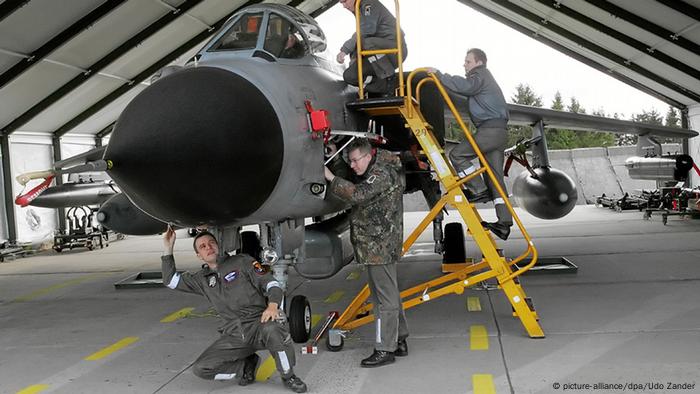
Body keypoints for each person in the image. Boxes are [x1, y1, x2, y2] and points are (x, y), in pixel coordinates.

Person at [162, 228, 307, 393]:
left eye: (211, 243)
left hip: (260, 325)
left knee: (274, 329)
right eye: (202, 247)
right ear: (199, 256)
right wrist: (168, 247)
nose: (208, 247)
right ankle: (245, 367)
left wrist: (272, 305)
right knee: (201, 369)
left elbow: (271, 284)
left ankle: (289, 377)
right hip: (234, 335)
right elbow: (170, 281)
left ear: (218, 246)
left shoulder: (242, 262)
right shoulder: (201, 280)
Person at [324, 139, 409, 367]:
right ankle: (399, 339)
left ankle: (385, 348)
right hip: (376, 245)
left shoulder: (381, 173)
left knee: (383, 301)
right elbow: (355, 181)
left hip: (378, 246)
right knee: (388, 294)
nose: (352, 165)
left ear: (368, 156)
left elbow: (358, 194)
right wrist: (337, 159)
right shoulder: (375, 168)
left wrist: (331, 177)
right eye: (350, 161)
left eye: (354, 160)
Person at [427, 48, 513, 240]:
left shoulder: (479, 75)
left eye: (467, 61)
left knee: (457, 155)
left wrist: (439, 75)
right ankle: (504, 223)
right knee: (495, 179)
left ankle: (478, 190)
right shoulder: (483, 80)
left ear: (478, 62)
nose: (464, 65)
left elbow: (466, 86)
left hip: (489, 130)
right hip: (499, 133)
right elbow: (465, 93)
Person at [336, 0, 408, 94]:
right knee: (350, 76)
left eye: (345, 1)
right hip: (378, 53)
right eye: (341, 3)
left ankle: (390, 77)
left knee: (366, 43)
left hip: (395, 50)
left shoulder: (369, 4)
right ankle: (381, 86)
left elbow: (366, 30)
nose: (344, 6)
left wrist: (345, 50)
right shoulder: (359, 9)